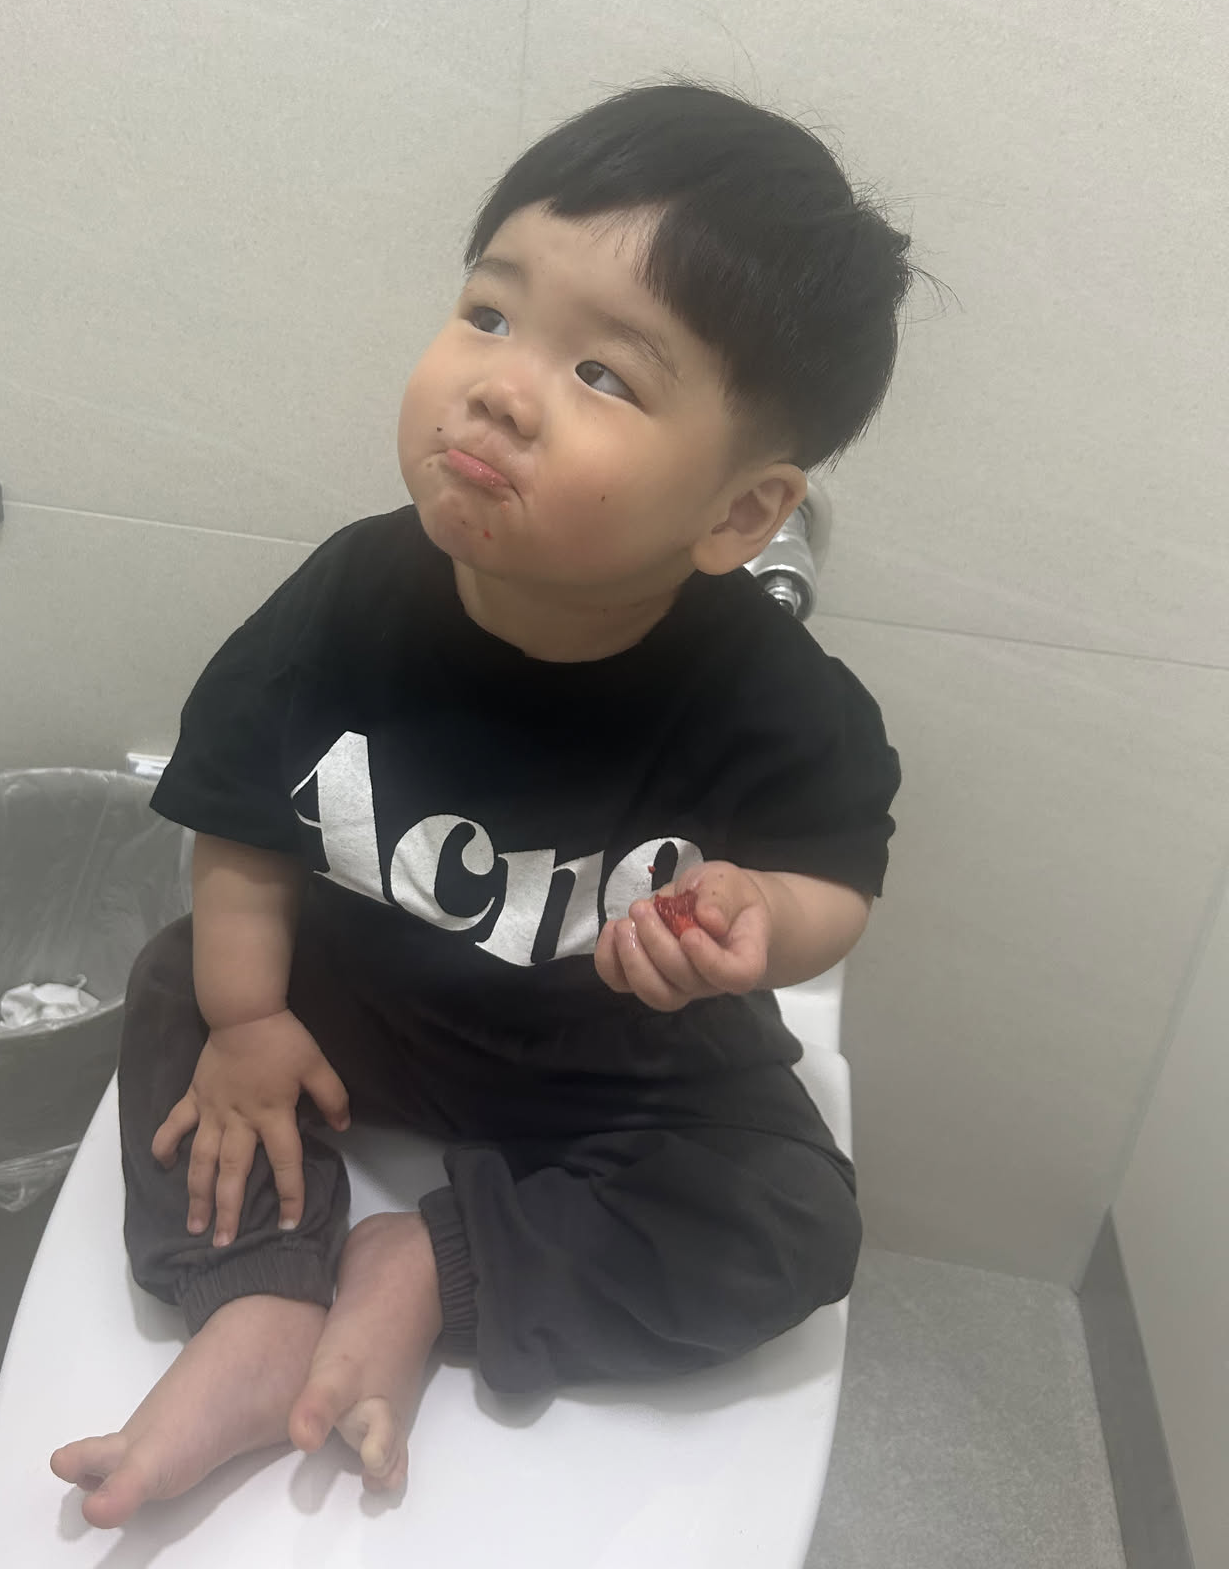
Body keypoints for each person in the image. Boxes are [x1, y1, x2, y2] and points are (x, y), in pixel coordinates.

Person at [51, 82, 909, 1525]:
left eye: (606, 375)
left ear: (738, 515)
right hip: (364, 1007)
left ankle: (429, 1268)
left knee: (795, 1225)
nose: (502, 386)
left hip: (623, 1060)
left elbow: (837, 877)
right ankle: (258, 1299)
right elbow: (244, 822)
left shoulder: (771, 692)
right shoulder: (348, 595)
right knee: (177, 986)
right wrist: (249, 1021)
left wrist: (766, 917)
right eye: (491, 313)